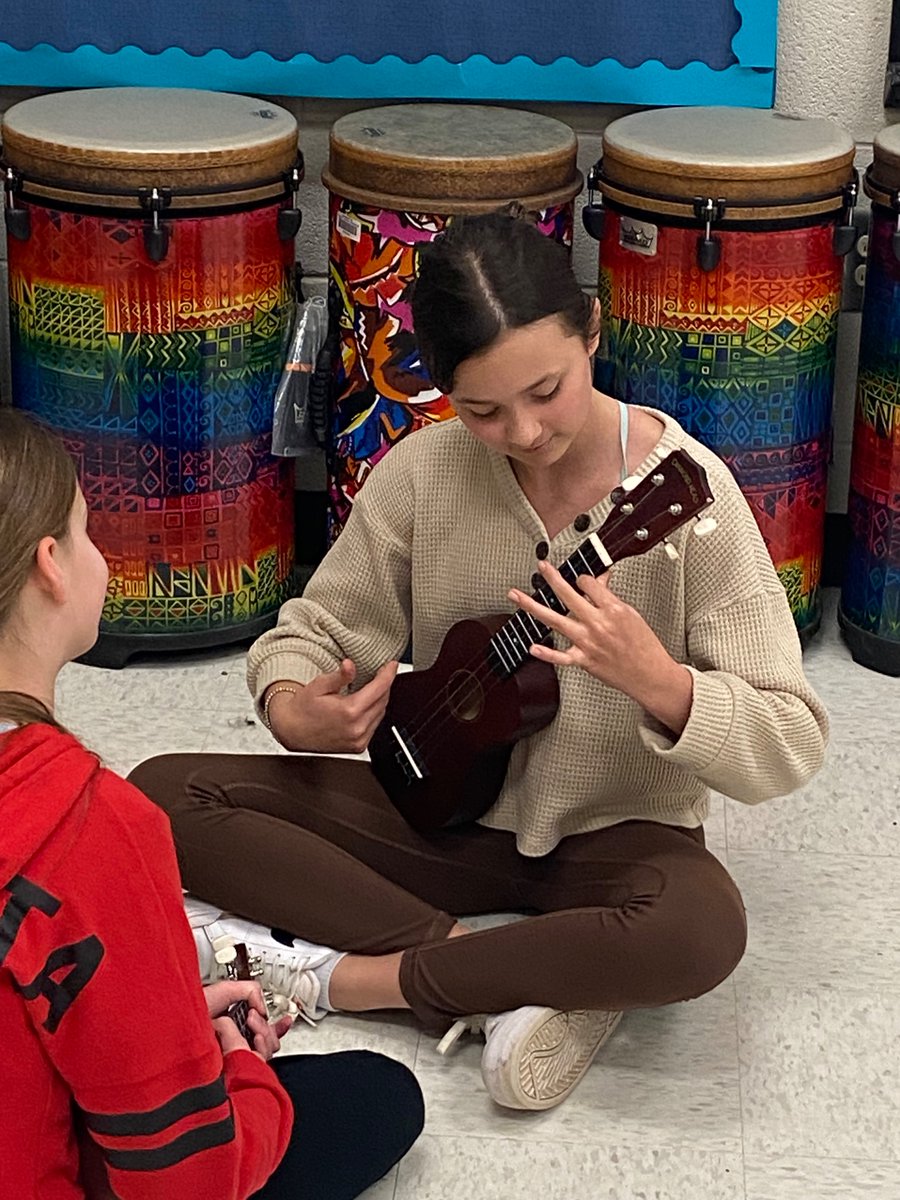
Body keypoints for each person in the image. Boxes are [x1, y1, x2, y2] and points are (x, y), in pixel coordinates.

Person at [130, 212, 828, 1114]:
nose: (527, 432)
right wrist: (295, 704)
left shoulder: (689, 500)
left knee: (702, 930)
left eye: (548, 390)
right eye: (484, 410)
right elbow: (315, 628)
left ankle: (353, 981)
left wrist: (659, 681)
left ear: (593, 333)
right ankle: (503, 976)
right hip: (437, 812)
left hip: (615, 841)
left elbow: (792, 740)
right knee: (159, 793)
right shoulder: (425, 473)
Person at [0, 409, 424, 1200]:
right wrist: (231, 1062)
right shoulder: (91, 827)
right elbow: (188, 1181)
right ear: (50, 565)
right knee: (378, 1096)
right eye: (90, 532)